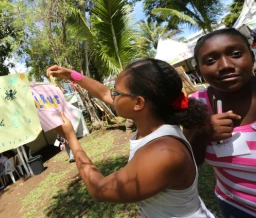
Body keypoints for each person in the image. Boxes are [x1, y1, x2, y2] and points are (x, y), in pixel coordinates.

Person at [47, 59, 215, 217]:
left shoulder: (163, 153)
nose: (112, 95)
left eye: (117, 92)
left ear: (138, 103)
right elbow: (103, 92)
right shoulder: (156, 126)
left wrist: (70, 137)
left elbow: (99, 189)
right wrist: (72, 75)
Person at [185, 28, 256, 218]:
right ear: (199, 70)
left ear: (252, 56)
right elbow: (190, 160)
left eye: (235, 54)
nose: (225, 65)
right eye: (210, 60)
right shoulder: (196, 105)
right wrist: (203, 133)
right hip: (235, 206)